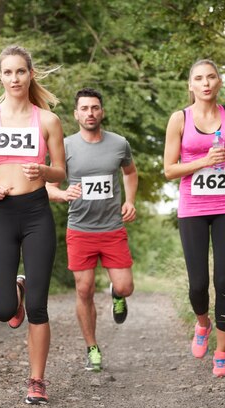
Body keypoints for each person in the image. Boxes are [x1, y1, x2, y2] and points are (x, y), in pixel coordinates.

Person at [0, 45, 65, 405]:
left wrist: (44, 171)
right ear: (0, 77)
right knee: (3, 310)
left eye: (20, 72)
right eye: (7, 73)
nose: (14, 79)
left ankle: (37, 380)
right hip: (1, 212)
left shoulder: (48, 120)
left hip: (37, 212)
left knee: (38, 307)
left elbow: (61, 171)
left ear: (30, 74)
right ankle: (17, 290)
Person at [163, 59, 225, 377]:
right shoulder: (179, 119)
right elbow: (169, 169)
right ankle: (203, 324)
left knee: (224, 280)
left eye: (211, 77)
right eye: (198, 78)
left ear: (219, 81)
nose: (205, 83)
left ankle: (222, 353)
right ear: (191, 85)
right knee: (198, 283)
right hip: (193, 209)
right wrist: (202, 160)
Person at [46, 88, 138, 373]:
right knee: (83, 289)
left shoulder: (119, 144)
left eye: (95, 108)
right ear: (76, 114)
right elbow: (47, 185)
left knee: (126, 286)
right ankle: (92, 348)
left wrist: (131, 201)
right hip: (80, 229)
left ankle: (116, 294)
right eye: (84, 108)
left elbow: (130, 172)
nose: (90, 113)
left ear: (102, 112)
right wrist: (62, 194)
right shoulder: (65, 146)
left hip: (112, 227)